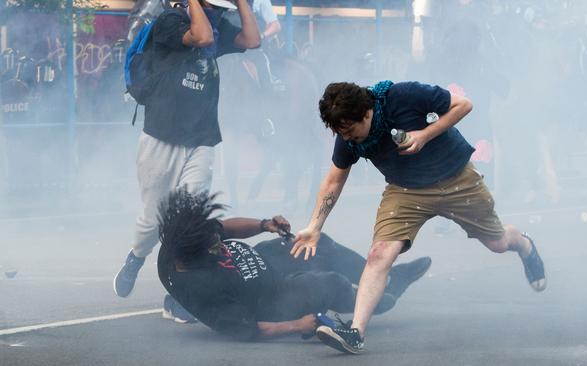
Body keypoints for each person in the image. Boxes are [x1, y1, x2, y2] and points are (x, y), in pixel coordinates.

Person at [290, 80, 547, 354]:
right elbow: (333, 181)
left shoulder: (402, 95)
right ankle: (355, 333)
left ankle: (524, 244)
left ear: (366, 113)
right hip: (406, 190)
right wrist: (315, 226)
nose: (349, 138)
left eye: (352, 131)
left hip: (456, 178)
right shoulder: (348, 136)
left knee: (498, 243)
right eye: (343, 134)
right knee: (379, 254)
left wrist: (424, 135)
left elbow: (464, 105)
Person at [113, 0, 261, 316]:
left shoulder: (216, 26)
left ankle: (180, 297)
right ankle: (136, 257)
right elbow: (203, 38)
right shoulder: (169, 21)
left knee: (193, 219)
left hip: (202, 139)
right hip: (161, 138)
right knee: (154, 220)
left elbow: (252, 40)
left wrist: (242, 3)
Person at [156, 188, 432, 339]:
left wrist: (265, 225)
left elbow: (225, 228)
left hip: (262, 259)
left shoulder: (188, 235)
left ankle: (380, 275)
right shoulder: (198, 290)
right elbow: (244, 328)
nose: (219, 244)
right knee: (330, 284)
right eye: (213, 247)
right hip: (273, 300)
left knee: (315, 244)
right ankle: (382, 297)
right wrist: (296, 325)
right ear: (192, 256)